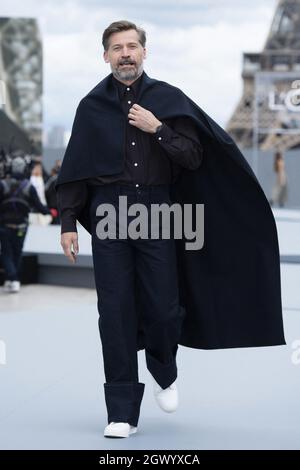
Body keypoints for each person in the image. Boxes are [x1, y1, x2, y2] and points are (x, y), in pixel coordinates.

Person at [55, 20, 286, 439]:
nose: (125, 53)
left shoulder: (169, 99)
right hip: (110, 210)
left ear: (145, 52)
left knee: (163, 306)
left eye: (132, 46)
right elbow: (75, 170)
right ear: (105, 55)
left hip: (159, 209)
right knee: (115, 311)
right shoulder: (90, 107)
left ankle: (164, 368)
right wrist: (68, 223)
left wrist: (157, 129)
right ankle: (121, 410)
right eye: (116, 48)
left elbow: (195, 158)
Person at [0, 157, 53, 293]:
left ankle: (12, 278)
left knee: (6, 253)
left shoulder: (3, 185)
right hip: (22, 227)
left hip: (5, 226)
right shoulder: (29, 187)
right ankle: (13, 279)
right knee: (17, 253)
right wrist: (51, 212)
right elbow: (39, 206)